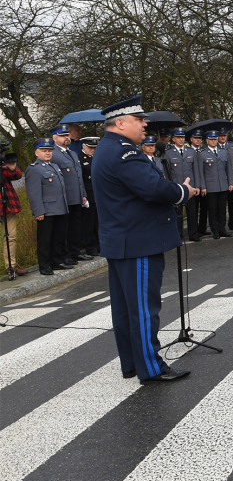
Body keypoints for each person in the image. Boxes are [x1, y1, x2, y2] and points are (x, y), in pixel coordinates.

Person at [92, 96, 199, 384]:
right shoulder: (124, 153)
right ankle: (150, 368)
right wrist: (182, 192)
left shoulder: (109, 148)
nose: (145, 124)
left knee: (127, 309)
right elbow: (151, 188)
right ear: (120, 123)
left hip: (124, 240)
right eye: (140, 120)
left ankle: (133, 363)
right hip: (137, 240)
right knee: (142, 309)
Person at [26, 139, 71, 276]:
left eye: (49, 150)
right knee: (45, 239)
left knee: (58, 237)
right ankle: (44, 265)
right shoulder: (34, 169)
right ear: (36, 152)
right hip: (46, 210)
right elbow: (34, 193)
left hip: (60, 208)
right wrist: (38, 211)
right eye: (44, 151)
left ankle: (57, 261)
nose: (47, 153)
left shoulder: (54, 166)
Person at [50, 125, 89, 266]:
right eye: (62, 136)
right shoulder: (53, 154)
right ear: (55, 139)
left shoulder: (72, 153)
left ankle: (75, 252)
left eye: (67, 135)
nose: (67, 138)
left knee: (75, 227)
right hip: (64, 198)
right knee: (63, 230)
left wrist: (83, 194)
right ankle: (64, 255)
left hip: (76, 197)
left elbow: (79, 177)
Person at [164, 129, 203, 243]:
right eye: (178, 137)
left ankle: (193, 234)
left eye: (182, 137)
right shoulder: (168, 153)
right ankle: (178, 235)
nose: (181, 139)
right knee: (178, 213)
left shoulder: (191, 152)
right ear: (173, 139)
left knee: (192, 212)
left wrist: (198, 186)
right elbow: (168, 172)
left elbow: (195, 170)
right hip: (177, 187)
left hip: (190, 187)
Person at [198, 131, 233, 239]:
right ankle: (215, 231)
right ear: (207, 140)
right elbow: (201, 172)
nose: (214, 141)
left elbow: (229, 169)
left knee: (222, 209)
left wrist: (230, 182)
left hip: (223, 184)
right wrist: (203, 186)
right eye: (211, 139)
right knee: (212, 210)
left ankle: (222, 229)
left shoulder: (224, 152)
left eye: (215, 139)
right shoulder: (202, 153)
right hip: (210, 186)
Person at [0, 152, 26, 277]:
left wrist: (11, 166)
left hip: (6, 206)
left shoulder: (3, 169)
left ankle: (11, 265)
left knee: (11, 236)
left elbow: (17, 175)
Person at [77, 138, 101, 257]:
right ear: (83, 146)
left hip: (98, 193)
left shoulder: (96, 158)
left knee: (98, 221)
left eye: (94, 148)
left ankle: (99, 244)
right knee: (89, 222)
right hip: (88, 193)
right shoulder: (80, 159)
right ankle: (91, 247)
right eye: (90, 147)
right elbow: (80, 178)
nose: (92, 150)